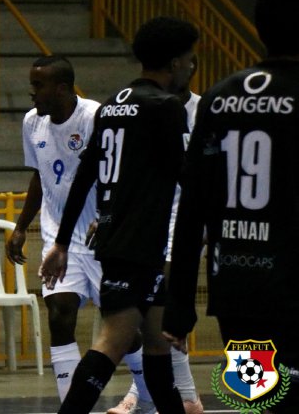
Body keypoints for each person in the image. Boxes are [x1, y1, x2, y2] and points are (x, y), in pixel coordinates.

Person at [41, 16, 199, 414]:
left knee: (158, 347)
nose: (192, 67)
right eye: (190, 59)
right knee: (113, 341)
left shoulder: (114, 104)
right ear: (175, 62)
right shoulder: (164, 107)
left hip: (118, 237)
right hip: (140, 242)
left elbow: (85, 175)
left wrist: (62, 241)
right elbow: (187, 177)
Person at [163, 0, 299, 413]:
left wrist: (180, 305)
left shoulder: (221, 97)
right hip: (291, 284)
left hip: (237, 286)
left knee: (255, 400)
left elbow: (192, 207)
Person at [5, 55, 156, 406]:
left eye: (38, 85)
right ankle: (71, 404)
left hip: (102, 237)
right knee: (59, 314)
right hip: (59, 238)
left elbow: (122, 173)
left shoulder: (95, 117)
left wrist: (106, 216)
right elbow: (39, 175)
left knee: (123, 330)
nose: (32, 93)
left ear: (61, 88)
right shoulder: (32, 122)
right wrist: (21, 225)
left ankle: (148, 395)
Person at [108, 57, 204, 414]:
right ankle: (170, 394)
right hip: (149, 218)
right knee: (151, 315)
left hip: (186, 217)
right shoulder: (148, 107)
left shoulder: (204, 108)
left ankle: (183, 396)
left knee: (162, 309)